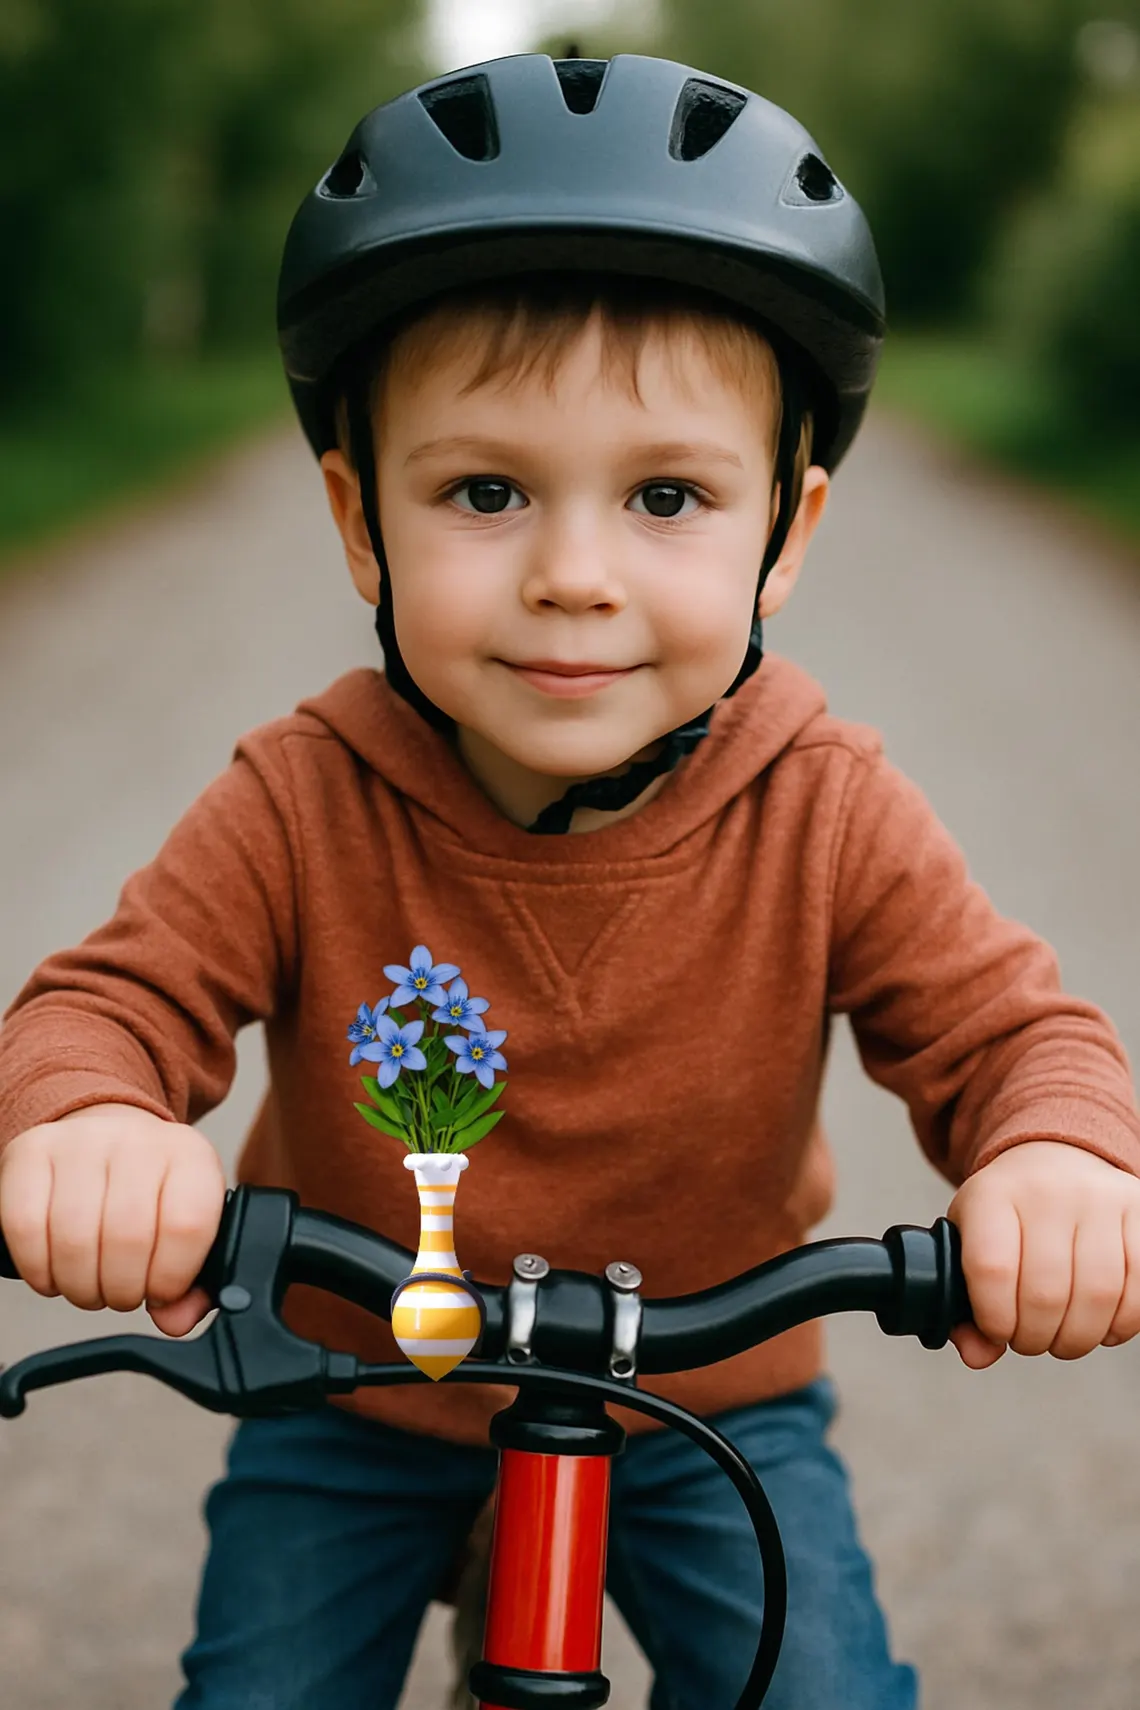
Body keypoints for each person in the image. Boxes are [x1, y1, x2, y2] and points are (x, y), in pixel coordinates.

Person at [1, 52, 1138, 1710]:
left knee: (818, 1689)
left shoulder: (824, 805)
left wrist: (1059, 1160)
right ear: (359, 516)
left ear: (786, 533)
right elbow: (111, 1001)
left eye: (668, 496)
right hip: (357, 1394)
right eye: (485, 491)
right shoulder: (304, 795)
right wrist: (92, 1122)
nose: (575, 575)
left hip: (708, 1407)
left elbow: (1012, 1032)